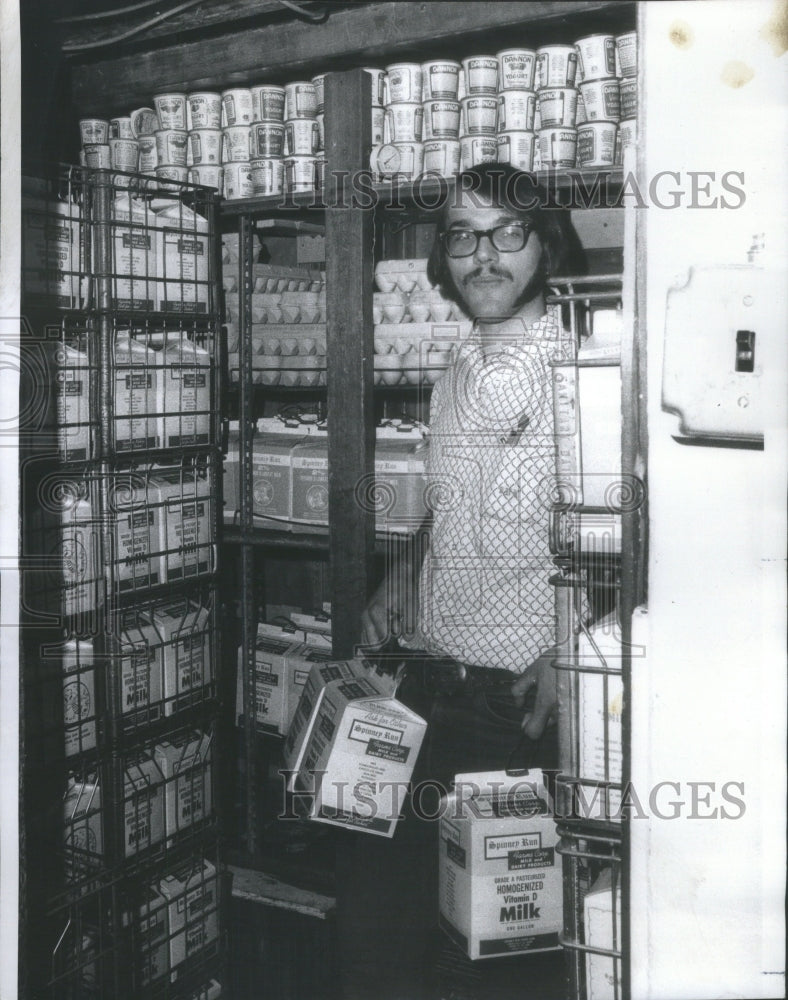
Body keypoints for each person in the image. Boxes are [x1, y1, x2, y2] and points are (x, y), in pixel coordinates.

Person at [335, 163, 583, 1000]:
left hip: (517, 713)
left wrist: (571, 652)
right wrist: (399, 578)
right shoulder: (454, 372)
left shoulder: (582, 374)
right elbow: (447, 507)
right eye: (464, 236)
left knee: (497, 963)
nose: (484, 256)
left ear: (545, 246)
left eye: (508, 233)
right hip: (426, 693)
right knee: (384, 935)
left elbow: (622, 540)